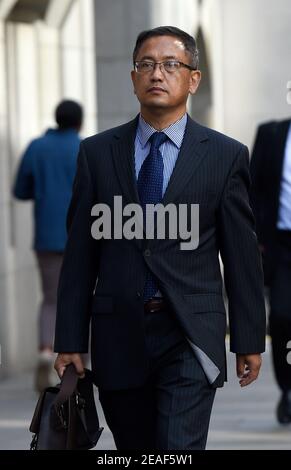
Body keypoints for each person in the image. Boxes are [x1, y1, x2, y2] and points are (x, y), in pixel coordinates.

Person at [54, 26, 266, 450]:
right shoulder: (97, 154)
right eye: (146, 65)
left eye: (171, 65)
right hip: (119, 334)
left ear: (193, 78)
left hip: (190, 333)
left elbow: (241, 257)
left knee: (177, 450)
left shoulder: (225, 156)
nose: (157, 74)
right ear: (133, 78)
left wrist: (247, 339)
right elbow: (80, 257)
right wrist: (69, 341)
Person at [13, 100, 83, 392]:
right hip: (81, 237)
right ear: (78, 123)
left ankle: (44, 349)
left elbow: (20, 190)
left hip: (46, 236)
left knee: (51, 299)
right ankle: (81, 362)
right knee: (81, 299)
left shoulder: (37, 147)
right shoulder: (85, 147)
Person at [250, 118, 291, 424]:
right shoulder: (271, 134)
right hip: (281, 246)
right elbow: (252, 189)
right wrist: (257, 238)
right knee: (281, 317)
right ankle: (287, 388)